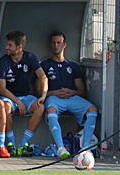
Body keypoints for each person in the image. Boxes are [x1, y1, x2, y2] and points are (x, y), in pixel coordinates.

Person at [38, 31, 98, 159]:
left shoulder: (73, 65)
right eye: (54, 43)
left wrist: (72, 92)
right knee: (51, 110)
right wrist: (53, 92)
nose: (56, 45)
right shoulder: (44, 65)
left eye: (58, 43)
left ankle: (85, 148)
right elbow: (38, 91)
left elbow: (82, 91)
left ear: (64, 45)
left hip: (71, 98)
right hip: (53, 98)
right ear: (50, 45)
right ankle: (61, 148)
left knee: (93, 109)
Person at [0, 31, 47, 157]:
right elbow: (2, 89)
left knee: (40, 107)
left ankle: (23, 144)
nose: (6, 47)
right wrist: (18, 102)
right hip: (9, 96)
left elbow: (43, 77)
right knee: (5, 107)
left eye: (10, 45)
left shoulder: (30, 57)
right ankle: (11, 145)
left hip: (26, 96)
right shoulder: (3, 61)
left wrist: (43, 96)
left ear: (19, 47)